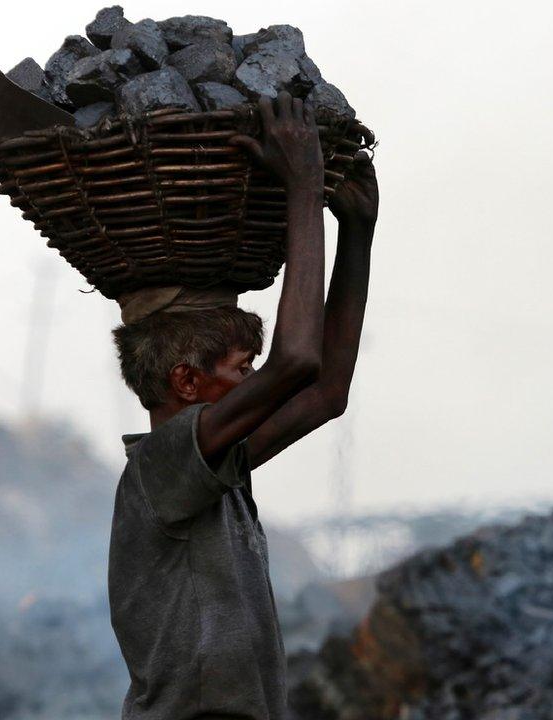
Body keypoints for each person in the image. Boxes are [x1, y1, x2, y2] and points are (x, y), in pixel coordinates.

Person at [107, 90, 378, 720]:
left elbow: (326, 392)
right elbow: (297, 365)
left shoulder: (217, 473)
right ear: (187, 382)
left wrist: (356, 234)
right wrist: (303, 191)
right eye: (240, 369)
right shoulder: (162, 466)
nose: (257, 380)